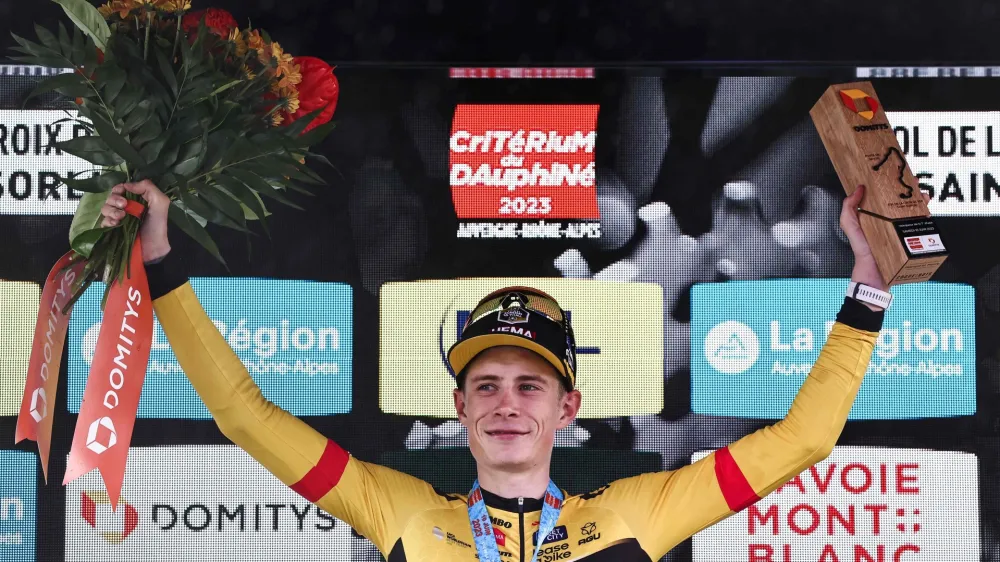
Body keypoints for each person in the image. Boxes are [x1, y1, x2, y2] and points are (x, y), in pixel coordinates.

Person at [100, 180, 903, 562]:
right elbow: (245, 417)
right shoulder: (399, 510)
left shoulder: (641, 511)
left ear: (568, 407)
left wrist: (868, 280)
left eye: (530, 384)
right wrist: (161, 263)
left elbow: (804, 437)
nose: (507, 402)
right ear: (458, 405)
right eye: (486, 384)